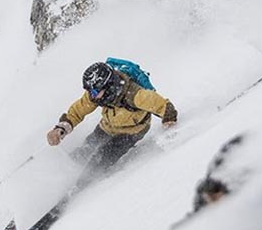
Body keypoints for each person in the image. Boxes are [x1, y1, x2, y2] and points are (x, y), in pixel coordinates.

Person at [47, 62, 178, 173]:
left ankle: (86, 181)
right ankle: (66, 173)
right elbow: (78, 110)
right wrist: (61, 128)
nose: (91, 95)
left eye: (94, 91)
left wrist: (169, 120)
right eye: (89, 91)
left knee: (102, 158)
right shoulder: (97, 95)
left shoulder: (136, 95)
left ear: (108, 85)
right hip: (107, 126)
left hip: (131, 132)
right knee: (87, 148)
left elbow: (164, 106)